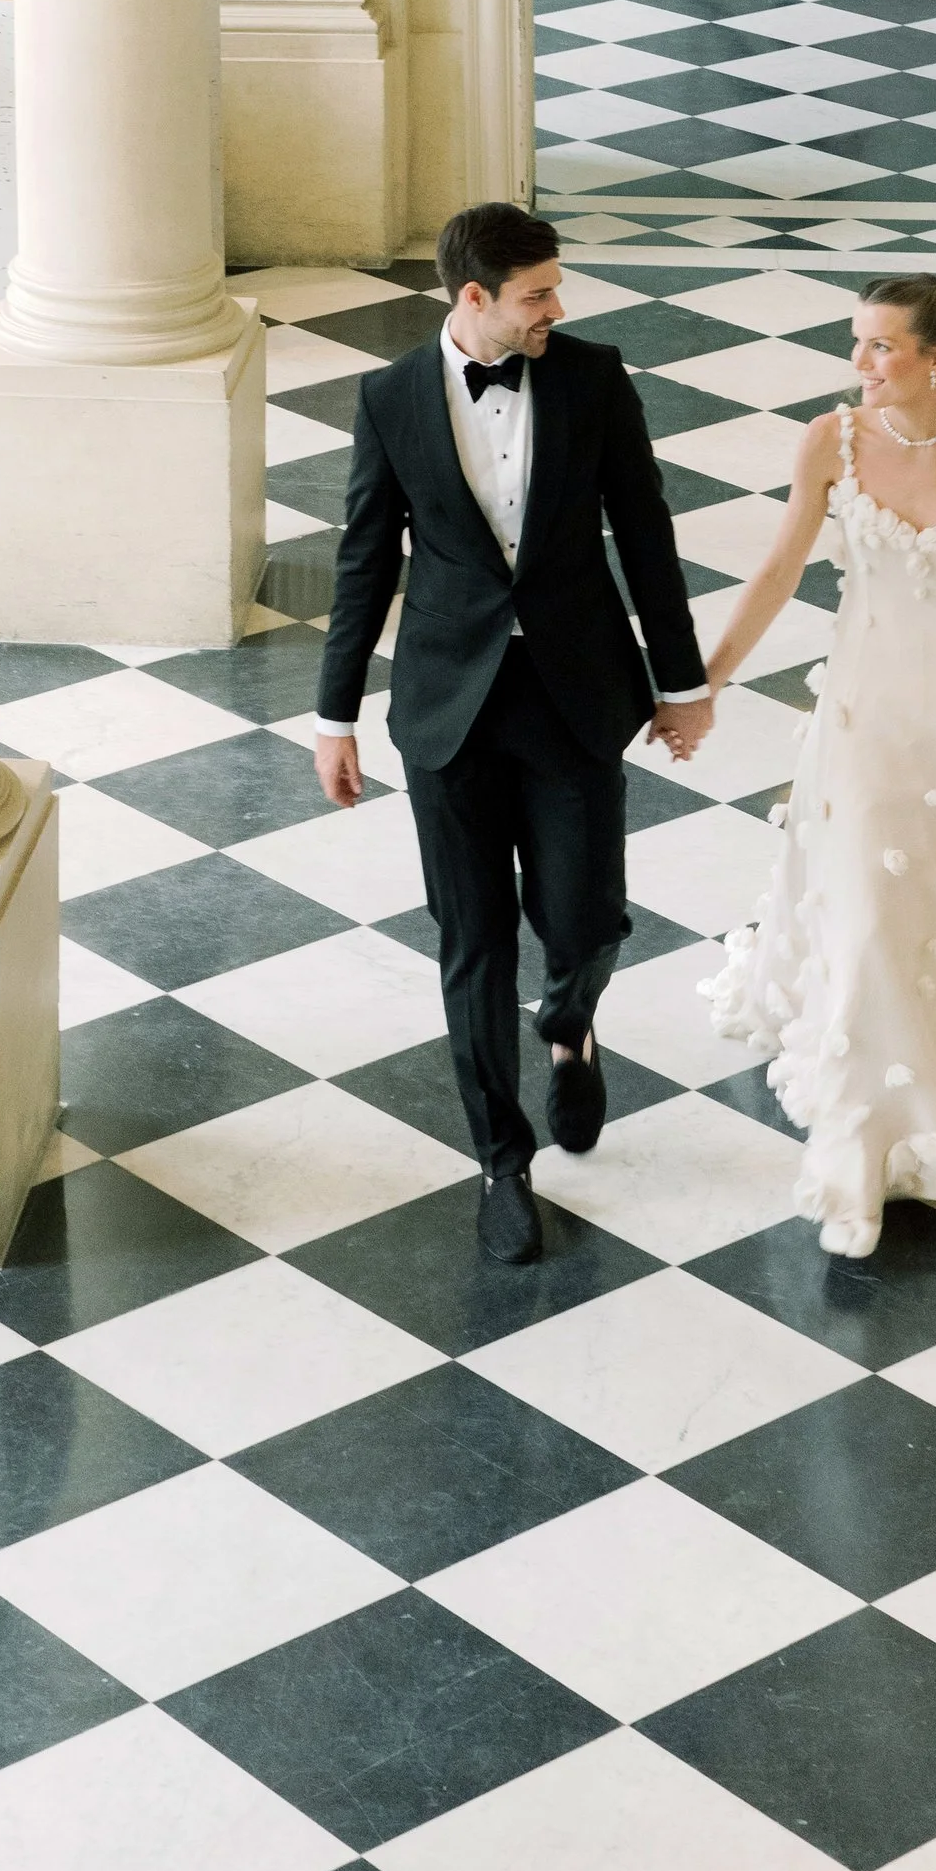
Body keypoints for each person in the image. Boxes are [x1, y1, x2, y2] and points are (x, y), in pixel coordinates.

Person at [312, 205, 714, 1262]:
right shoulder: (390, 398)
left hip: (574, 690)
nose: (558, 307)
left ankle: (571, 1023)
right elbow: (364, 563)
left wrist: (682, 681)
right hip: (448, 708)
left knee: (587, 921)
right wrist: (333, 715)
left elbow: (645, 532)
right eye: (539, 293)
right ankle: (501, 1158)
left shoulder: (593, 376)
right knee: (474, 945)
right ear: (475, 299)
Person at [700, 275, 936, 1257]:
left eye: (881, 347)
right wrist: (702, 679)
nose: (861, 364)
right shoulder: (829, 440)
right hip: (862, 712)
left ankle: (934, 1063)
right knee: (871, 907)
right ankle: (864, 1144)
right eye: (857, 344)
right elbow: (781, 568)